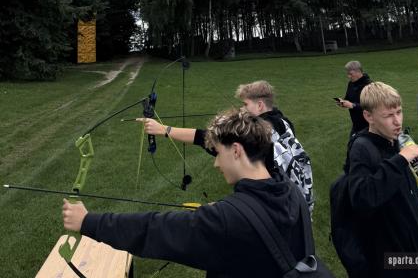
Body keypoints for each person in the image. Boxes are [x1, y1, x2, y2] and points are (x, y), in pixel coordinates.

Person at [62, 109, 314, 278]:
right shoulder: (291, 193)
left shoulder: (227, 221)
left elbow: (154, 230)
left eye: (218, 153)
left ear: (237, 151)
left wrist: (87, 221)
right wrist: (233, 210)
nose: (216, 163)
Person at [142, 80, 314, 211]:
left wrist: (164, 129)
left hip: (283, 206)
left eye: (245, 105)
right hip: (295, 200)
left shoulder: (263, 131)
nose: (242, 109)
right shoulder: (283, 122)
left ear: (260, 105)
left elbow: (207, 138)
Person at [347, 82, 418, 278]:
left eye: (399, 112)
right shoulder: (362, 148)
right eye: (388, 116)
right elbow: (362, 198)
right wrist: (401, 159)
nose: (397, 121)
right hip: (394, 256)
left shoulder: (396, 141)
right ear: (368, 116)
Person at [336, 60, 371, 138]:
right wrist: (343, 102)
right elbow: (348, 98)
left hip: (368, 124)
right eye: (347, 74)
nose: (348, 76)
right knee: (352, 143)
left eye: (350, 74)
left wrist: (353, 105)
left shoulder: (369, 86)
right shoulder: (351, 84)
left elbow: (370, 106)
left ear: (358, 72)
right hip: (356, 124)